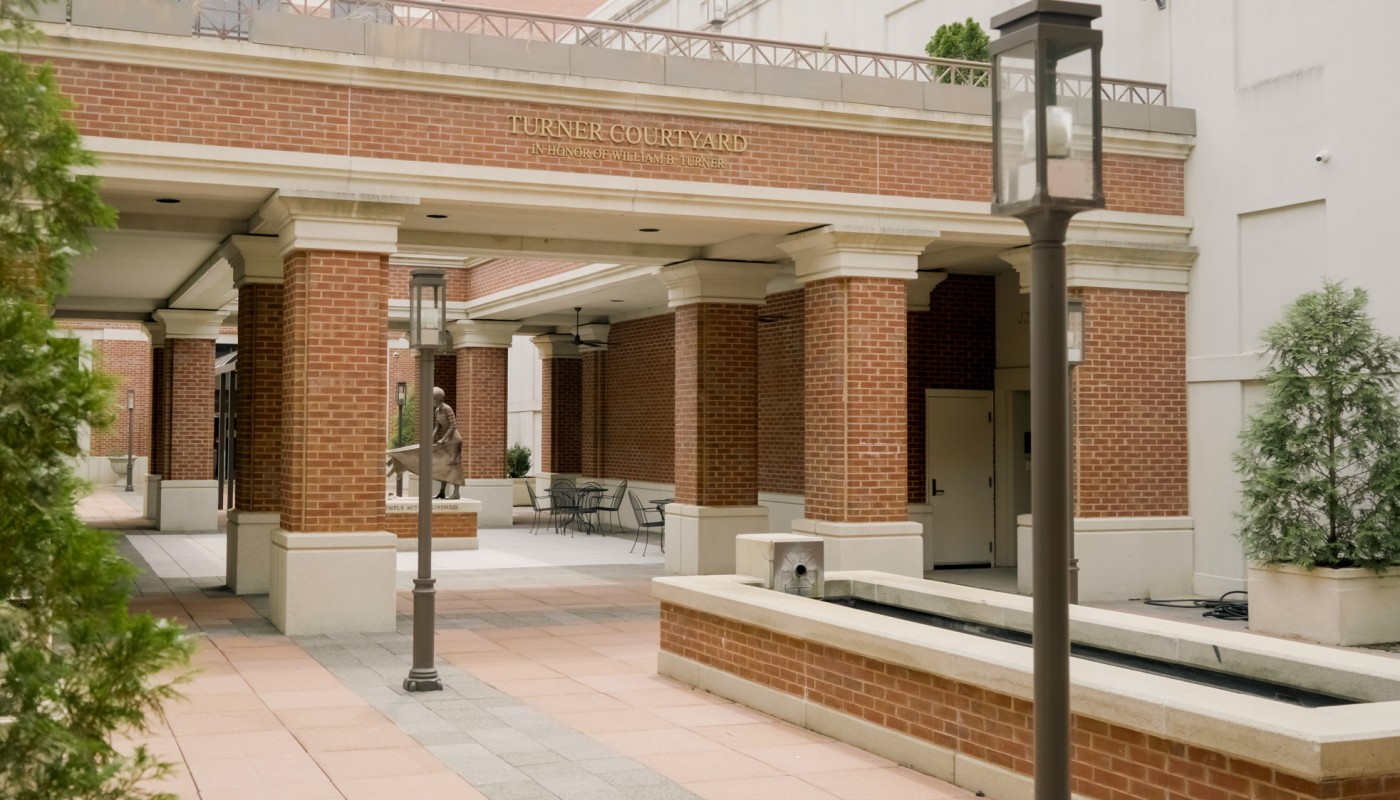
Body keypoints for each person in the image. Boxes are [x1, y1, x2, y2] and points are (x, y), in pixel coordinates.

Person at [431, 386, 463, 499]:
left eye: (433, 399)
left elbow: (453, 426)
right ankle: (442, 491)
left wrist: (443, 439)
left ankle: (456, 492)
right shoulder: (436, 410)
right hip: (446, 440)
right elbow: (437, 426)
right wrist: (432, 435)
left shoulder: (447, 409)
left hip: (454, 440)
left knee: (453, 466)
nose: (432, 402)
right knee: (443, 465)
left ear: (439, 400)